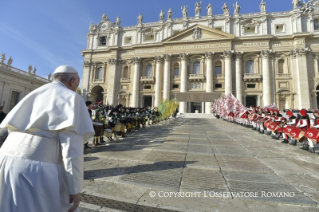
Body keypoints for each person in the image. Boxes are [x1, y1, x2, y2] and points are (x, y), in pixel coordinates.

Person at [0, 65, 95, 212]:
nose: (77, 88)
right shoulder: (72, 97)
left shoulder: (35, 93)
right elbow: (71, 148)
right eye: (77, 84)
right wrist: (75, 187)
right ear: (73, 80)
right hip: (36, 170)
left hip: (5, 160)